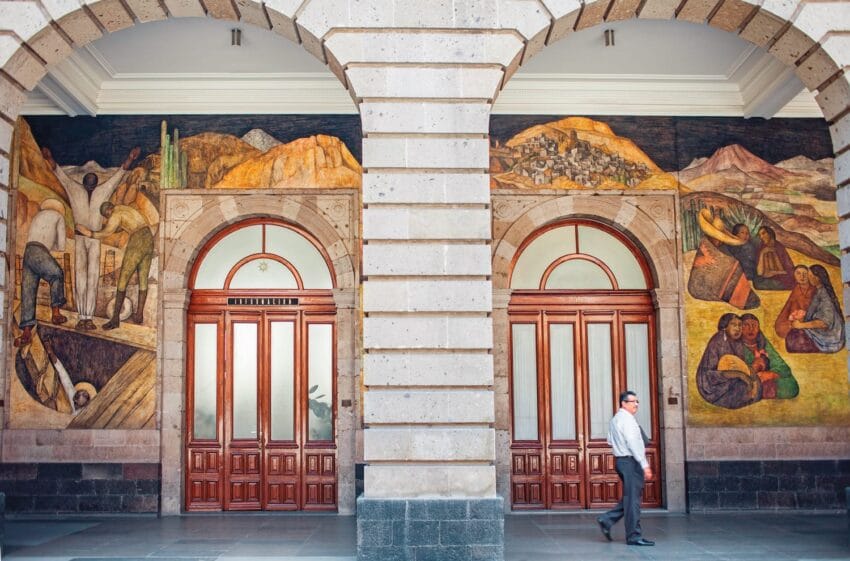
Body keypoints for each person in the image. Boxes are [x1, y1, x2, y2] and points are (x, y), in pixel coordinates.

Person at [42, 145, 141, 331]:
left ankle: (89, 317)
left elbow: (118, 175)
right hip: (80, 239)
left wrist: (130, 158)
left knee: (93, 277)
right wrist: (49, 158)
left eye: (92, 182)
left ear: (95, 184)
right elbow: (59, 174)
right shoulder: (74, 188)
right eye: (87, 182)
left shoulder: (103, 191)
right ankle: (82, 317)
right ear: (83, 182)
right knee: (80, 277)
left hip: (95, 240)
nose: (90, 184)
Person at [77, 202, 153, 330]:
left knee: (123, 279)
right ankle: (139, 315)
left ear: (108, 211)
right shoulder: (123, 209)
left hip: (138, 240)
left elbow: (107, 232)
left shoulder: (115, 214)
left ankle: (115, 319)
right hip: (148, 237)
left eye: (106, 216)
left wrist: (90, 234)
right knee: (143, 278)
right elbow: (119, 227)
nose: (108, 218)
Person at [596, 391, 654, 546]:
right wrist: (645, 465)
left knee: (630, 497)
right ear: (623, 403)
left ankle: (607, 519)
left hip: (621, 461)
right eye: (633, 401)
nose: (636, 404)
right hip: (630, 462)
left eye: (637, 401)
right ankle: (633, 536)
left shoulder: (615, 419)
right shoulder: (627, 420)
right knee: (633, 501)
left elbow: (609, 441)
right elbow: (634, 444)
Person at [15, 198, 69, 347]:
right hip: (40, 251)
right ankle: (56, 313)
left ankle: (26, 332)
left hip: (28, 251)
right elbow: (61, 246)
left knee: (28, 291)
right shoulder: (58, 217)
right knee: (57, 274)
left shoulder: (37, 216)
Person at [688, 209, 759, 309]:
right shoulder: (705, 245)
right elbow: (700, 266)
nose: (720, 241)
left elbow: (726, 260)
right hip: (702, 285)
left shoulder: (723, 247)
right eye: (718, 239)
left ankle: (742, 295)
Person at [695, 313, 762, 409]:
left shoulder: (738, 342)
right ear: (725, 327)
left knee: (756, 383)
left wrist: (753, 380)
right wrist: (740, 375)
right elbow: (710, 374)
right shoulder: (717, 341)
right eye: (734, 325)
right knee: (741, 388)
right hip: (713, 384)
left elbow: (741, 365)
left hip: (732, 376)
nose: (737, 328)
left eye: (740, 325)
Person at [785, 264, 845, 353]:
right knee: (792, 336)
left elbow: (824, 323)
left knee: (794, 342)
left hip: (829, 337)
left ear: (817, 278)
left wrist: (801, 325)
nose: (808, 278)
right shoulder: (819, 291)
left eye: (810, 276)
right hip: (819, 332)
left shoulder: (825, 296)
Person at [739, 313, 798, 400]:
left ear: (759, 328)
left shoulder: (763, 343)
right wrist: (753, 370)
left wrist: (772, 374)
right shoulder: (736, 346)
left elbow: (784, 368)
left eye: (754, 325)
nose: (751, 328)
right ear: (740, 328)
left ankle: (761, 391)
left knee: (791, 385)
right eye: (746, 325)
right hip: (747, 381)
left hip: (765, 380)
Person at [775, 265, 814, 339]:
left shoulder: (814, 289)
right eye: (798, 273)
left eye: (805, 274)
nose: (802, 276)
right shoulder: (796, 289)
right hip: (797, 318)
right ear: (794, 276)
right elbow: (788, 307)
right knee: (781, 327)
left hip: (810, 320)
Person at [754, 226, 795, 290]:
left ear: (770, 233)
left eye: (763, 233)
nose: (761, 237)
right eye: (760, 235)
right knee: (758, 282)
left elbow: (788, 268)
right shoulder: (761, 248)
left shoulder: (779, 247)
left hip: (782, 277)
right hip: (768, 279)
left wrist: (774, 272)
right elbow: (760, 273)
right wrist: (762, 253)